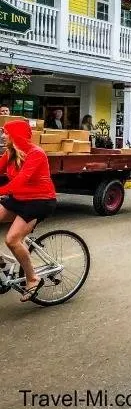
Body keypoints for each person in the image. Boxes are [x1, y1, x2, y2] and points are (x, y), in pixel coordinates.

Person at [0, 120, 57, 302]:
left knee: (12, 240)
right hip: (19, 198)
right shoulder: (10, 153)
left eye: (6, 133)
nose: (3, 136)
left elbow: (20, 181)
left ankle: (32, 278)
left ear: (15, 136)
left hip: (39, 201)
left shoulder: (36, 154)